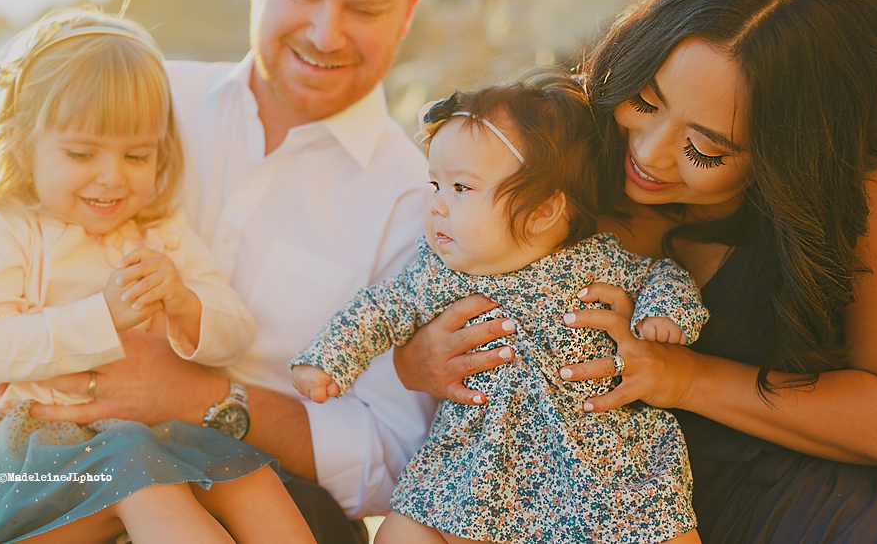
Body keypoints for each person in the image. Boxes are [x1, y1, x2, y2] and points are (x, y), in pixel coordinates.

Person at [0, 0, 455, 543]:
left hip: (272, 493)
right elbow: (7, 258)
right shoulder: (142, 104)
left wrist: (205, 398)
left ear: (409, 8)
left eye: (364, 6)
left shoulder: (420, 204)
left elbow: (393, 461)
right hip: (69, 470)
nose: (325, 33)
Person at [394, 0, 877, 543]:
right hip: (605, 498)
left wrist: (686, 377)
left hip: (821, 489)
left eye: (705, 149)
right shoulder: (552, 147)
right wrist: (416, 360)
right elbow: (430, 286)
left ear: (790, 155)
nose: (648, 155)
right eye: (645, 100)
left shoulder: (862, 161)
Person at [0, 8, 314, 544]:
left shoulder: (159, 230)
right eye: (81, 153)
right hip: (26, 463)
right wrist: (103, 315)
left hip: (144, 438)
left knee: (251, 478)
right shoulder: (1, 223)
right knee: (144, 481)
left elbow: (236, 333)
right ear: (20, 144)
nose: (111, 176)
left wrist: (185, 304)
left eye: (137, 155)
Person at [291, 73, 708, 544]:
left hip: (597, 466)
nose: (437, 206)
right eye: (435, 185)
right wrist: (329, 356)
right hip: (476, 466)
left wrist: (664, 314)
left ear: (543, 211)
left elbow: (661, 274)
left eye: (461, 188)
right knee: (401, 532)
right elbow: (382, 308)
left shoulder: (596, 263)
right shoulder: (440, 274)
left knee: (656, 528)